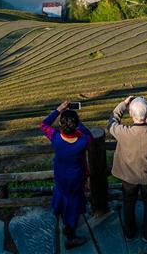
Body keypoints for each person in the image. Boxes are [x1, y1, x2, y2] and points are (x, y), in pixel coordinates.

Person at [108, 95, 147, 242]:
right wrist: (146, 117)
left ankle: (129, 232)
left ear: (131, 115)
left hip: (128, 177)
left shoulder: (123, 132)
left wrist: (124, 103)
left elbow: (112, 122)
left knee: (128, 203)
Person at [40, 100, 92, 250]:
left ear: (61, 125)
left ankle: (64, 222)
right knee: (72, 205)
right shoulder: (83, 140)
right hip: (76, 179)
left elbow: (43, 125)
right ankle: (70, 237)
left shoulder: (55, 137)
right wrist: (78, 122)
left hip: (60, 176)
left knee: (63, 198)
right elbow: (89, 135)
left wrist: (59, 110)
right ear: (75, 125)